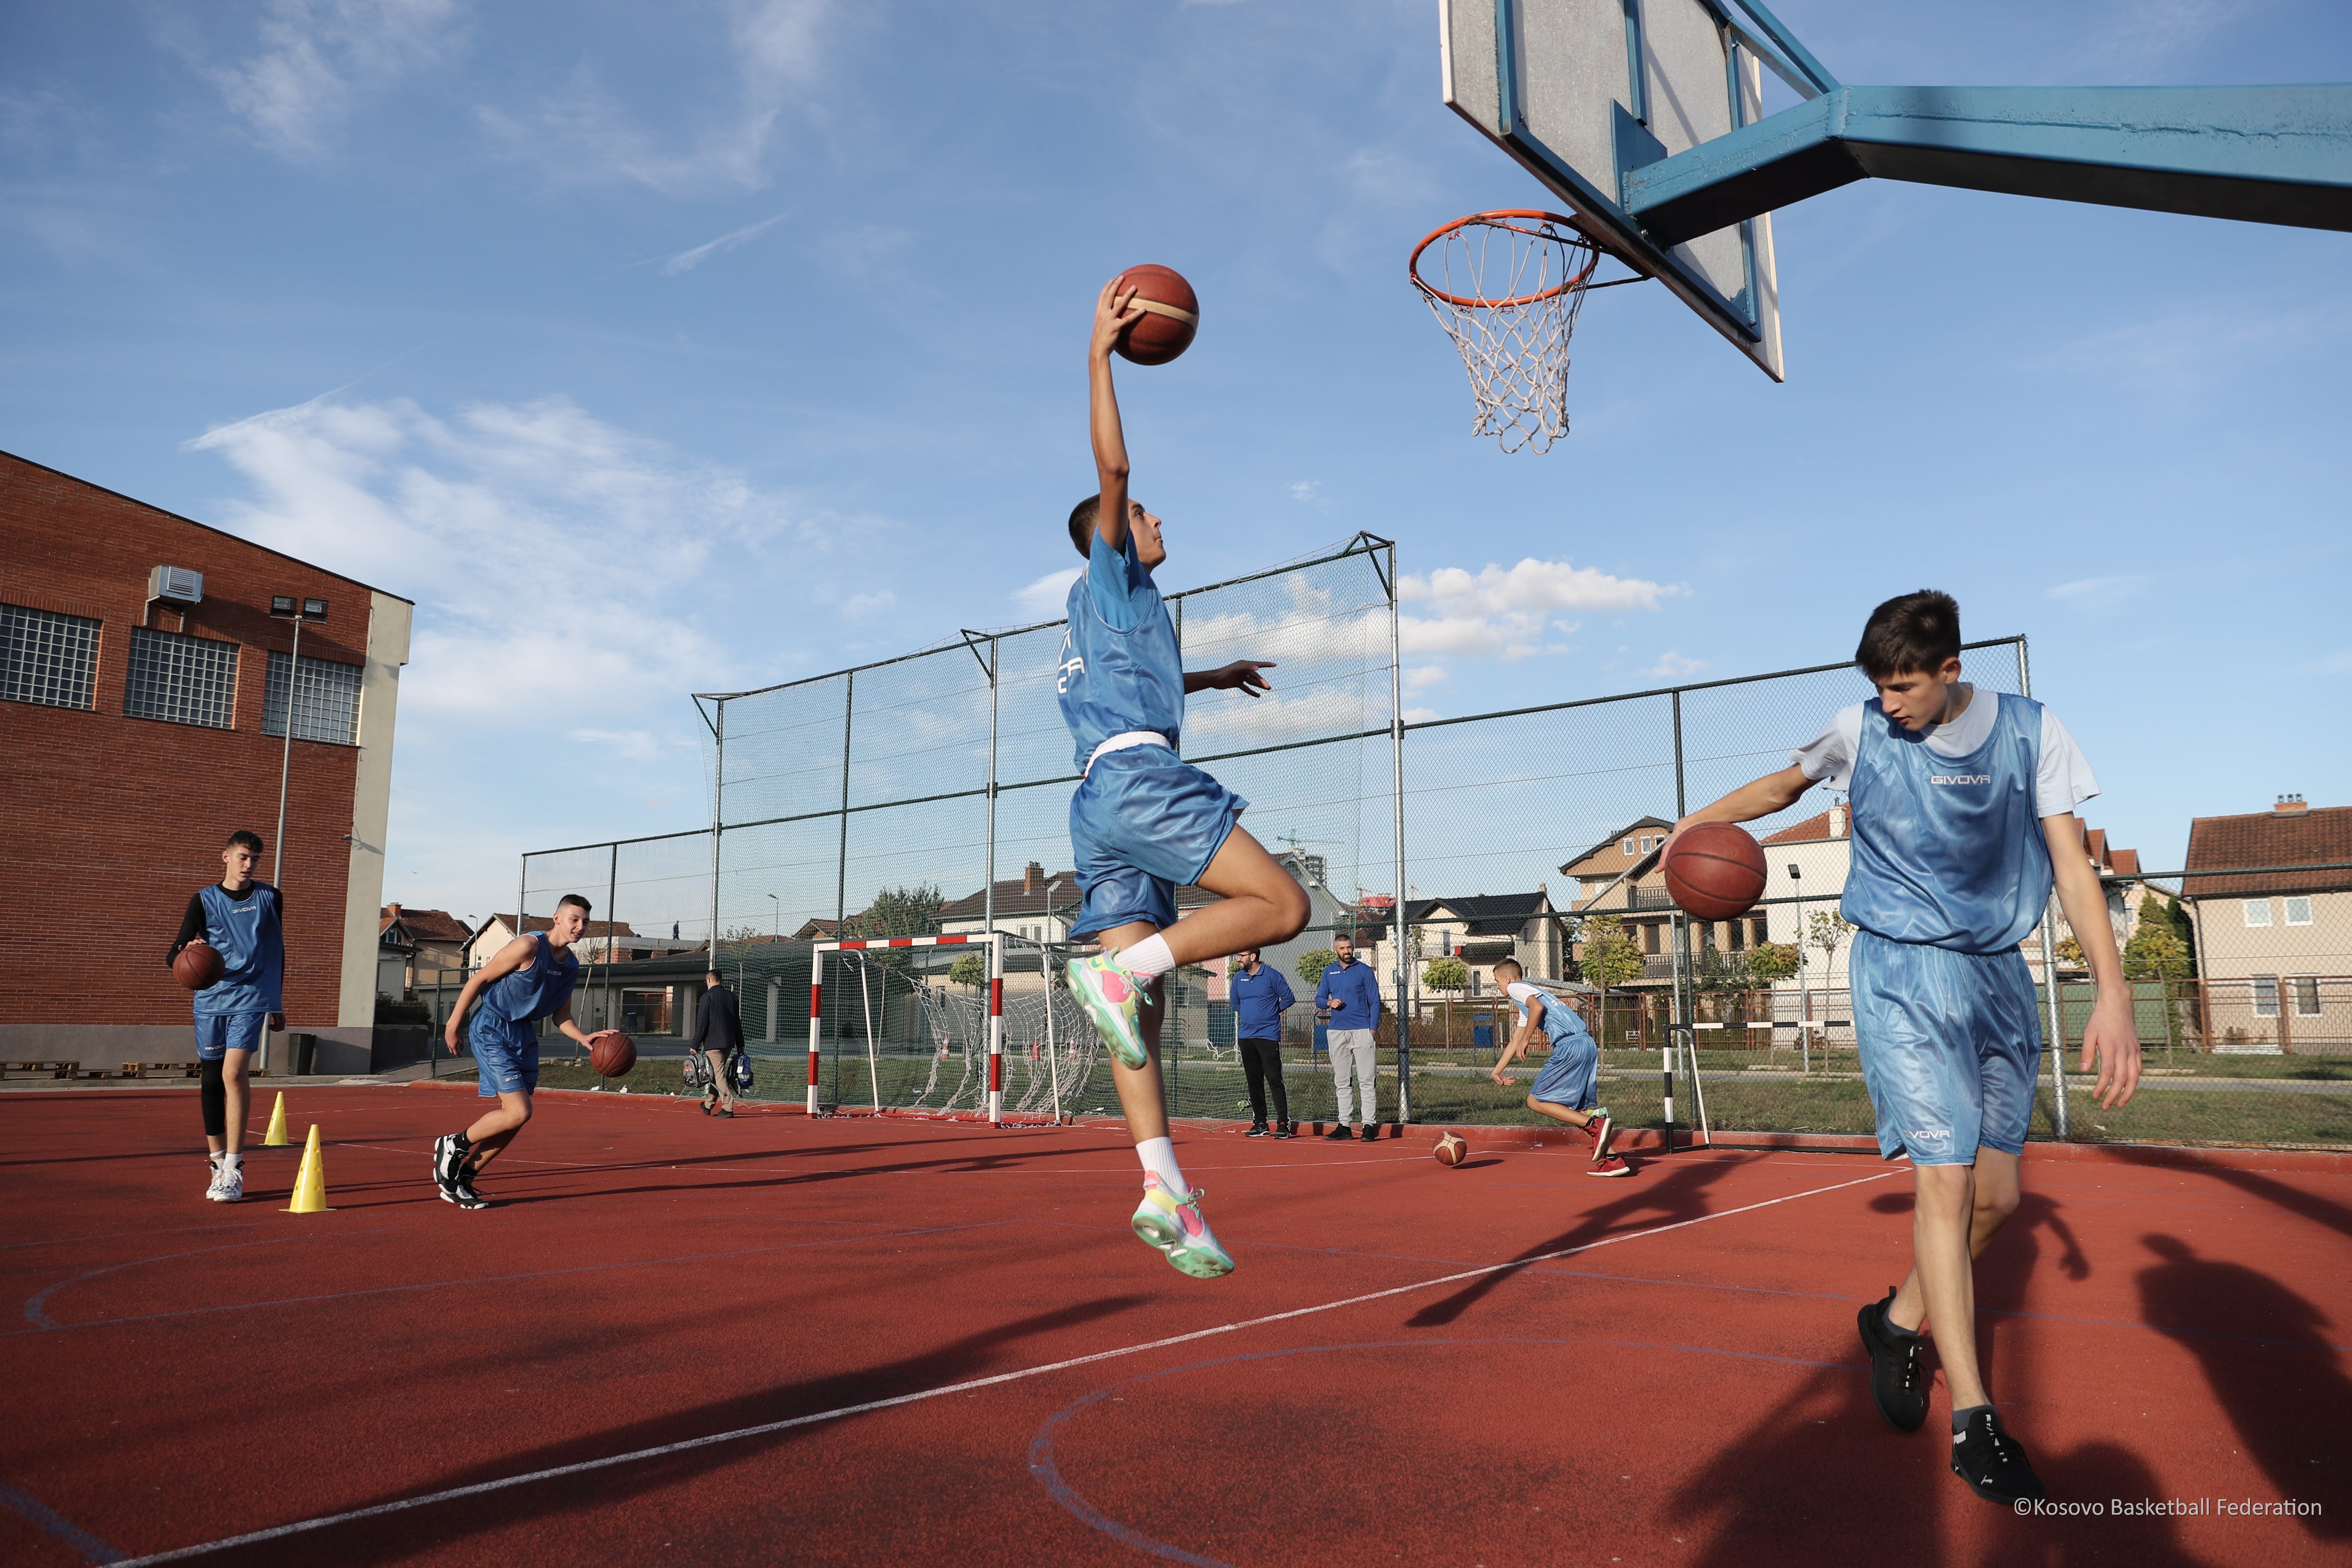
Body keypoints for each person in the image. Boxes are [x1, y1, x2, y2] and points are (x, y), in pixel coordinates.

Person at [1670, 590, 2136, 1504]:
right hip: (1900, 974)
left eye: (1905, 687)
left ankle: (1894, 1322)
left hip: (1997, 972)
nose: (1889, 703)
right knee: (1945, 1183)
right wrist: (1690, 829)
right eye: (1879, 687)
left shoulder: (2032, 731)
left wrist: (2112, 993)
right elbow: (1782, 787)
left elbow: (2071, 866)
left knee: (1998, 1199)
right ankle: (1975, 1422)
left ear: (1950, 670)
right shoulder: (1861, 728)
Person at [1059, 277, 1313, 1280]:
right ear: (1109, 532)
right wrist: (1099, 354)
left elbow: (1134, 684)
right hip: (1141, 783)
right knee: (1281, 905)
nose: (1156, 518)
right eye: (1140, 515)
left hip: (1095, 803)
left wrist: (1209, 675)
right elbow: (1113, 467)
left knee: (1141, 1026)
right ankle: (1119, 973)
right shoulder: (1115, 570)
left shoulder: (1101, 613)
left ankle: (1162, 1185)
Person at [432, 895, 597, 1209]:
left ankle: (463, 1179)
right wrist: (453, 1025)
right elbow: (480, 978)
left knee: (515, 1118)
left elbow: (561, 1016)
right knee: (520, 1111)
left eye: (586, 922)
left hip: (523, 1034)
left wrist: (584, 1037)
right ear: (557, 918)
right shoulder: (528, 946)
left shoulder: (571, 966)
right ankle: (453, 1144)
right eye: (574, 919)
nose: (580, 927)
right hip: (492, 1026)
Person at [166, 829, 284, 1204]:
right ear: (226, 857)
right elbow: (174, 955)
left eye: (255, 859)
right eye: (243, 857)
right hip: (212, 998)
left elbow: (275, 951)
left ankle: (234, 1167)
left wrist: (277, 1001)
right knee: (211, 1080)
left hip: (251, 996)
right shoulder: (203, 900)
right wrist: (190, 950)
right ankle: (217, 1164)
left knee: (234, 1073)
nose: (249, 865)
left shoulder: (270, 898)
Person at [1487, 959, 1626, 1176]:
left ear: (1507, 979)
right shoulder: (1529, 997)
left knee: (1535, 1101)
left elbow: (1537, 1008)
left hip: (1569, 1046)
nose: (1497, 986)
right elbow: (1515, 1041)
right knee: (1576, 1112)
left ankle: (1596, 1124)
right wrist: (1497, 1072)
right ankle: (1613, 1160)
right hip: (1586, 1044)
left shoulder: (1517, 988)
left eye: (1497, 981)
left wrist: (1527, 1040)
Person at [1314, 934, 1382, 1142]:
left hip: (1362, 1031)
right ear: (1336, 950)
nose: (1347, 951)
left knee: (1367, 1081)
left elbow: (1375, 1001)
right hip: (1337, 1032)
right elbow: (1319, 999)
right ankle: (1345, 1125)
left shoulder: (1364, 971)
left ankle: (1368, 1126)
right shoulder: (1329, 972)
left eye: (1349, 947)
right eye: (1343, 948)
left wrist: (1372, 1031)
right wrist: (1329, 1003)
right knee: (1342, 1082)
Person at [1227, 947, 1297, 1137]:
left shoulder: (1272, 976)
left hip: (1268, 1036)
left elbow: (1289, 998)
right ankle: (1260, 1124)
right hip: (1246, 1037)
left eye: (1241, 956)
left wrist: (1271, 1012)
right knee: (1254, 1081)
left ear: (1253, 956)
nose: (1238, 959)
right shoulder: (1238, 978)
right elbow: (1235, 1003)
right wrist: (1251, 1015)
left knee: (1274, 1080)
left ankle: (1283, 1124)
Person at [694, 970, 744, 1117]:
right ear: (721, 980)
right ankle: (708, 1104)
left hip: (713, 1043)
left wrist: (695, 1045)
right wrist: (740, 1043)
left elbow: (702, 1024)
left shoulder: (707, 997)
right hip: (729, 1042)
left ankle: (728, 1106)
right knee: (718, 1073)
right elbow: (737, 1022)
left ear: (709, 980)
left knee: (720, 1074)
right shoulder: (731, 996)